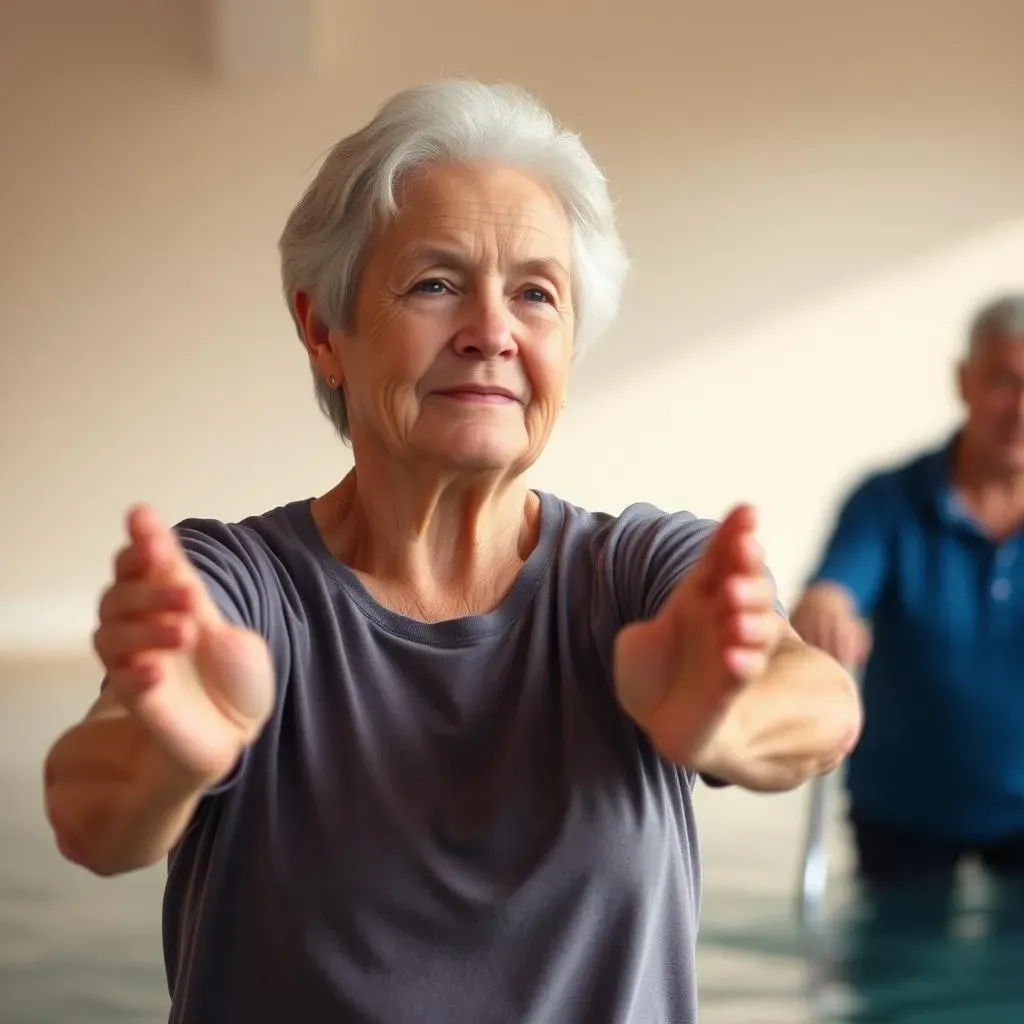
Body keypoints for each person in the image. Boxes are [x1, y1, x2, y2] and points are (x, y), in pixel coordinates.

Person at [44, 80, 861, 1023]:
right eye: (435, 284)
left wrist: (725, 719)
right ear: (324, 331)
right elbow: (93, 815)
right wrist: (167, 753)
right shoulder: (237, 589)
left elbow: (814, 705)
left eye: (535, 295)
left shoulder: (644, 575)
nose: (491, 333)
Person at [792, 295, 1024, 896]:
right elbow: (832, 592)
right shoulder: (886, 501)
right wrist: (825, 611)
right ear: (964, 382)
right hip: (902, 816)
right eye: (1005, 382)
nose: (1020, 410)